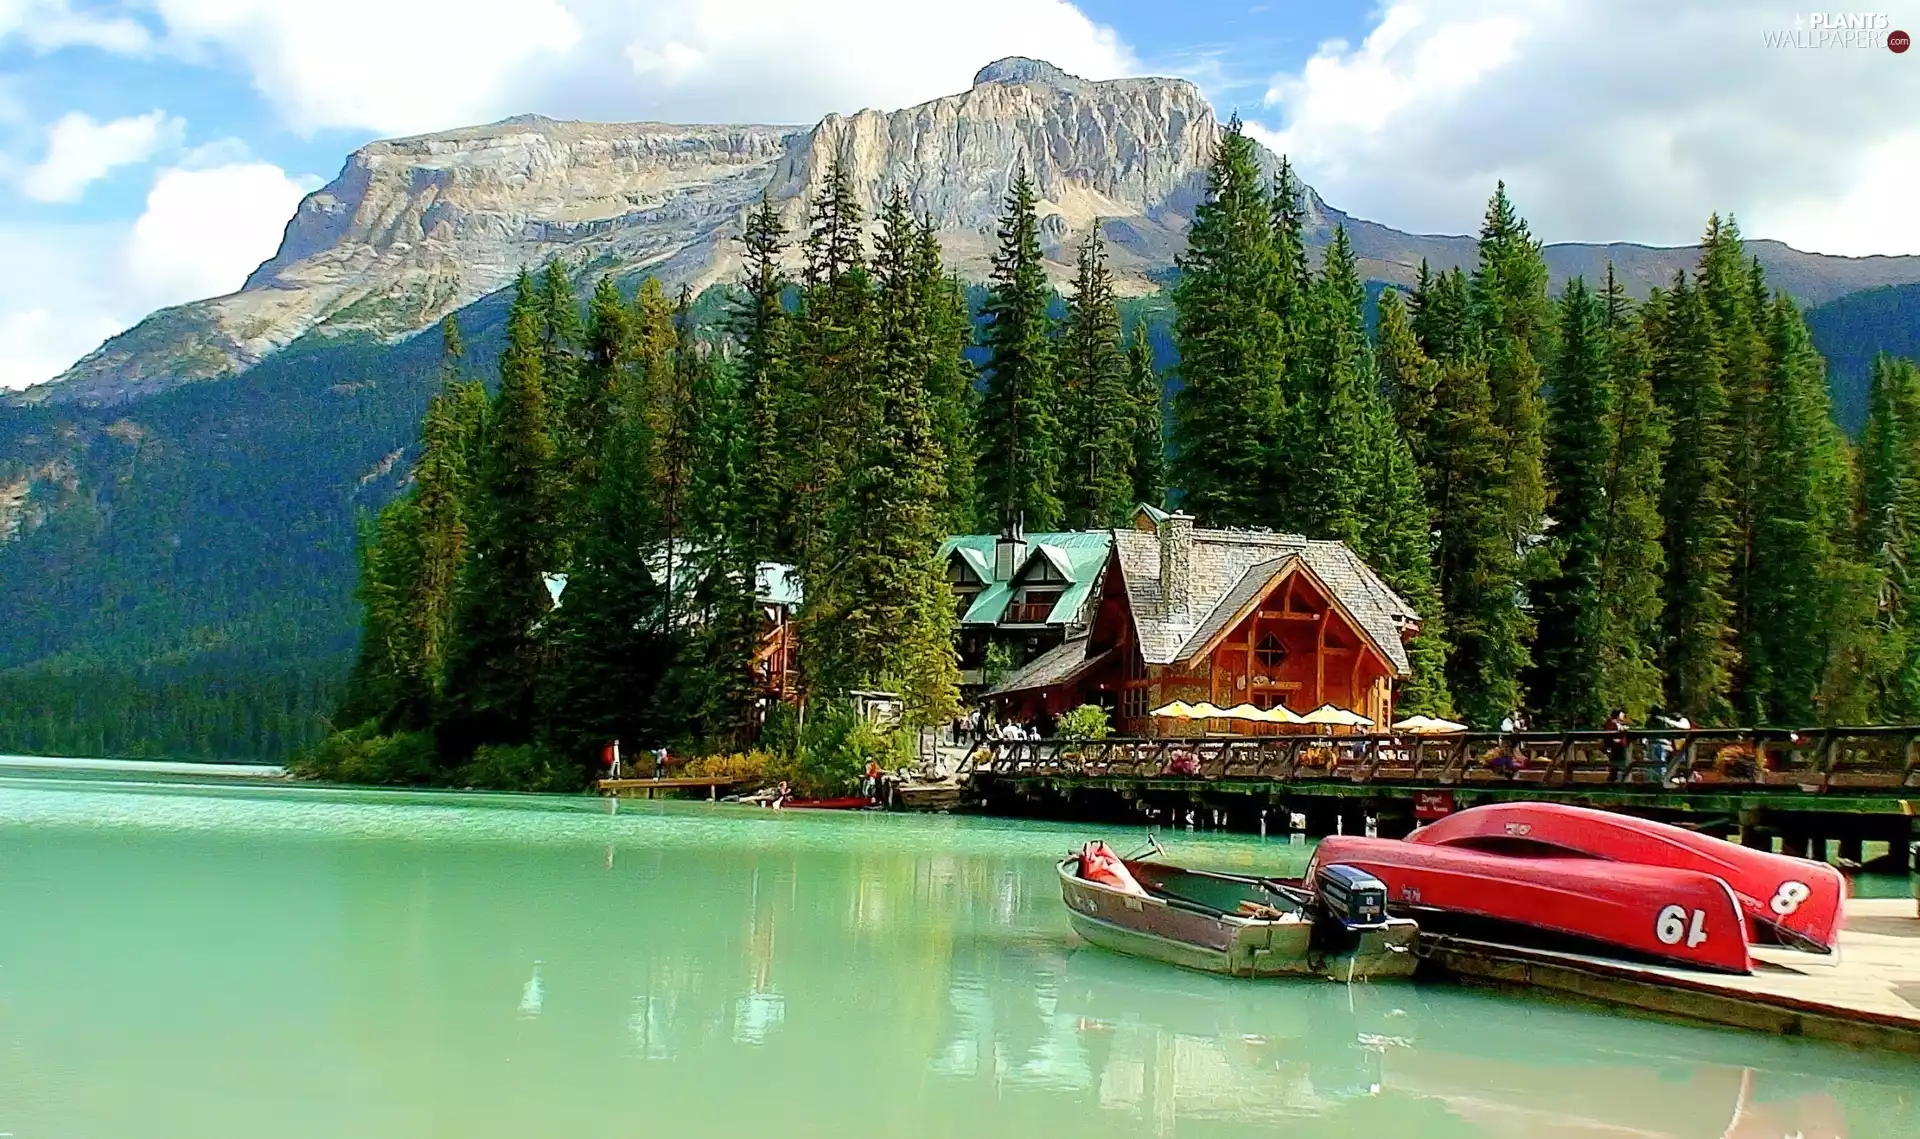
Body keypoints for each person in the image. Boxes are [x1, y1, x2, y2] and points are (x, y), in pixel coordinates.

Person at [1604, 709, 1631, 779]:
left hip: (1620, 749)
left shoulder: (1617, 724)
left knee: (1619, 766)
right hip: (1617, 749)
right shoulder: (1611, 724)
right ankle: (1615, 779)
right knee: (1617, 766)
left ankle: (1616, 778)